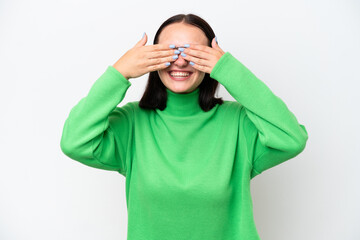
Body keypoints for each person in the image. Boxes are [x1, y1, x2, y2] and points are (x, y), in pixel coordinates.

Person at [60, 13, 308, 240]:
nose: (179, 63)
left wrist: (229, 69)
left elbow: (292, 139)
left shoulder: (239, 123)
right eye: (170, 52)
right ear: (152, 58)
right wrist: (119, 73)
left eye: (192, 53)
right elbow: (74, 142)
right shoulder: (132, 123)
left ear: (211, 59)